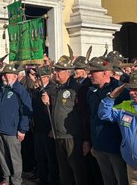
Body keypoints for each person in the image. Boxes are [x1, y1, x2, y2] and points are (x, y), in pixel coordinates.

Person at [41, 56, 89, 185]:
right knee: (64, 172)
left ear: (68, 72)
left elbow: (84, 115)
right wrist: (47, 104)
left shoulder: (77, 89)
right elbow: (55, 112)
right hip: (58, 135)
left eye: (59, 70)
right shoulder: (57, 89)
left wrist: (86, 139)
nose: (55, 73)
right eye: (55, 70)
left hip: (73, 136)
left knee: (78, 170)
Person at [86, 57, 128, 185]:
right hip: (99, 145)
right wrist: (92, 142)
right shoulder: (91, 91)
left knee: (121, 179)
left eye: (93, 72)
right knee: (107, 180)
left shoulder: (120, 91)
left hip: (116, 146)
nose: (89, 75)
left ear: (105, 73)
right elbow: (91, 117)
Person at [0, 64, 32, 185]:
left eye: (6, 75)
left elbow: (26, 110)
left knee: (15, 159)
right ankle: (6, 178)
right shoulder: (2, 89)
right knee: (3, 158)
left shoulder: (20, 91)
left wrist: (22, 130)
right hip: (0, 129)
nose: (4, 77)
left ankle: (16, 181)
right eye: (3, 75)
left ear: (14, 76)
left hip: (13, 131)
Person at [30, 65, 59, 185]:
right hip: (38, 128)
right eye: (36, 76)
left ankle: (52, 180)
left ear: (46, 77)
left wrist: (49, 102)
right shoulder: (37, 90)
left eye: (39, 76)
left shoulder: (53, 90)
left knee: (50, 157)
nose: (36, 78)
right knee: (40, 156)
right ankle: (42, 178)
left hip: (48, 128)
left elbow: (55, 110)